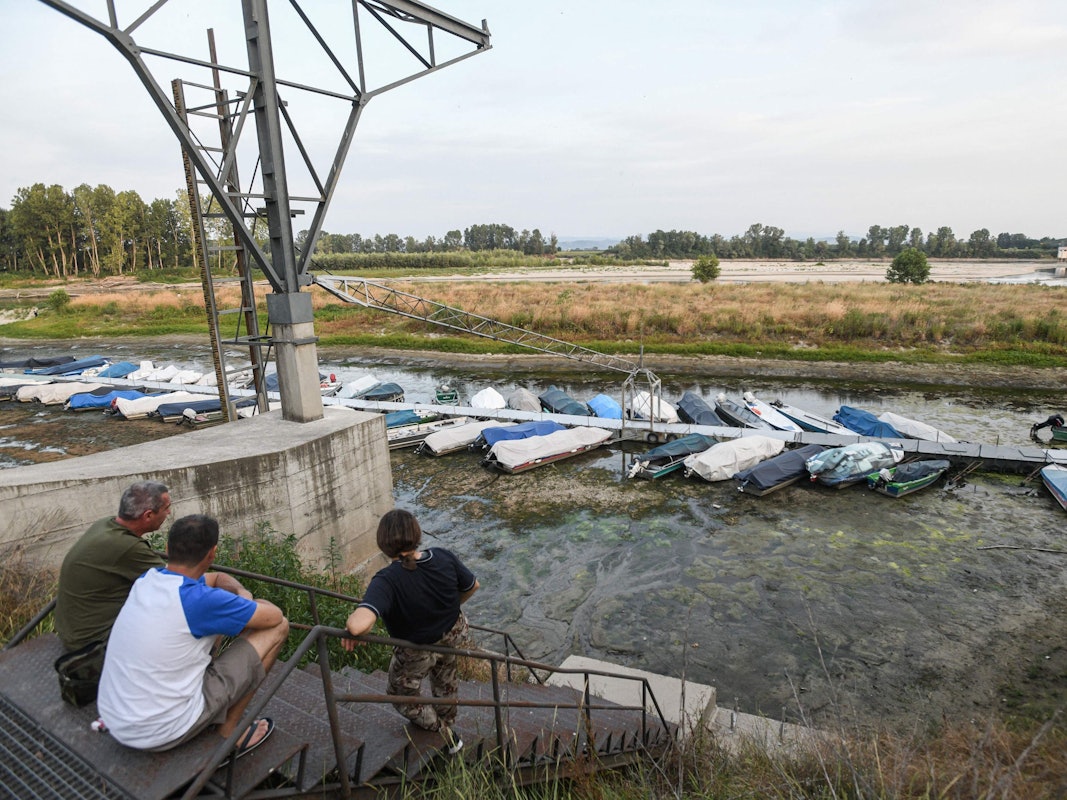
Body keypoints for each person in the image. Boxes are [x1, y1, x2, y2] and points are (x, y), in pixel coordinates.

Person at [96, 514, 289, 756]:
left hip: (116, 717)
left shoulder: (147, 580)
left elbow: (214, 578)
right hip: (160, 730)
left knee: (216, 623)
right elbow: (274, 616)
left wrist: (235, 590)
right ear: (212, 553)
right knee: (278, 628)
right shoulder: (199, 601)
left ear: (167, 548)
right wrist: (245, 596)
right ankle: (230, 734)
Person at [344, 509, 479, 754]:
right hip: (452, 634)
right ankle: (448, 723)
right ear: (417, 535)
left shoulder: (386, 580)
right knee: (445, 679)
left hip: (418, 649)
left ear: (383, 544)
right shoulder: (442, 556)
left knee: (400, 694)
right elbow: (473, 585)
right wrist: (451, 605)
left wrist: (352, 629)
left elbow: (358, 625)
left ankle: (445, 734)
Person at [54, 480, 173, 653]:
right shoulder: (127, 546)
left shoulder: (105, 524)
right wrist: (214, 578)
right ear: (148, 515)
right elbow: (177, 583)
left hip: (72, 631)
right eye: (166, 508)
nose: (169, 512)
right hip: (92, 646)